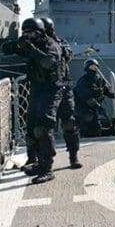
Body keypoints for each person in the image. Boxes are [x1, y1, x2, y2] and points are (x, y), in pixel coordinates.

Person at [1, 18, 63, 184]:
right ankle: (37, 163)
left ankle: (47, 168)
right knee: (31, 128)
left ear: (41, 32)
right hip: (36, 89)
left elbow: (49, 62)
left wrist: (32, 49)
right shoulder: (29, 43)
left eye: (32, 33)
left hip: (51, 90)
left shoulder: (50, 44)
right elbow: (5, 49)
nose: (29, 36)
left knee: (43, 127)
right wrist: (16, 44)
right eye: (27, 33)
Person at [41, 17, 82, 169]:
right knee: (45, 127)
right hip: (45, 90)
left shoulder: (60, 43)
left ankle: (73, 156)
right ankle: (45, 162)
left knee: (69, 123)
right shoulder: (35, 45)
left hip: (63, 87)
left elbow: (67, 54)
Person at [74, 59, 115, 138]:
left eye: (95, 66)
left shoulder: (99, 79)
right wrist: (96, 105)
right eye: (91, 67)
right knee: (87, 121)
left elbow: (104, 90)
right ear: (87, 68)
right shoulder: (84, 80)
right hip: (84, 107)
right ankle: (83, 137)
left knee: (97, 125)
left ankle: (104, 132)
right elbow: (84, 95)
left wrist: (112, 95)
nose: (94, 68)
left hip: (96, 106)